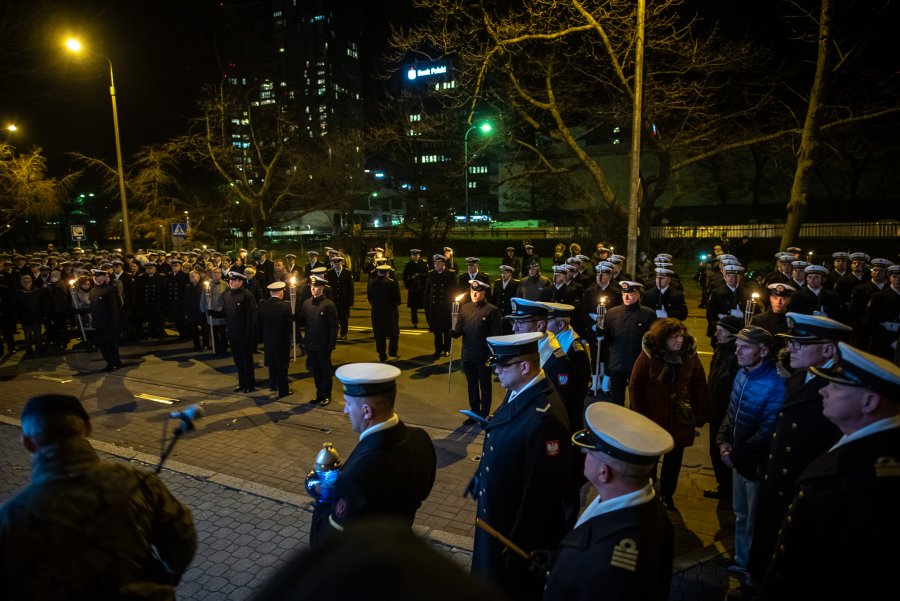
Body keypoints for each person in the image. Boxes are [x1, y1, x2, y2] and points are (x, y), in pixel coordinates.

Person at [0, 394, 197, 599]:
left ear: (27, 443)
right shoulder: (138, 482)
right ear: (88, 428)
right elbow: (181, 541)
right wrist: (165, 577)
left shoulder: (10, 518)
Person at [760, 344, 900, 600]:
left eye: (836, 387)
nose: (823, 390)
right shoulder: (864, 447)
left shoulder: (875, 480)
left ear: (869, 402)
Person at [746, 313, 851, 587]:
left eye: (799, 344)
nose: (789, 348)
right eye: (790, 342)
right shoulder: (801, 377)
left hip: (800, 490)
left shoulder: (837, 390)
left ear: (828, 350)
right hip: (780, 485)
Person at [467, 332, 571, 600]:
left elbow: (540, 492)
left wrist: (517, 544)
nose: (496, 371)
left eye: (502, 365)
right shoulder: (519, 392)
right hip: (496, 525)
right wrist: (482, 473)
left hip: (510, 536)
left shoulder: (544, 417)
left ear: (524, 367)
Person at [542, 403, 675, 601]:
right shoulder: (649, 511)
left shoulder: (613, 570)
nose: (584, 453)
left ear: (604, 472)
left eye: (589, 452)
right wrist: (558, 559)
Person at [310, 363, 437, 545]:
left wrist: (324, 496)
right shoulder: (421, 438)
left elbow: (325, 541)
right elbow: (423, 492)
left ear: (366, 411)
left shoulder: (356, 475)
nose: (345, 410)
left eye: (348, 403)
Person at [715, 326, 785, 579]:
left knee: (754, 521)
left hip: (752, 466)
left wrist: (735, 456)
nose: (737, 351)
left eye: (744, 347)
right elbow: (731, 412)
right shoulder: (743, 374)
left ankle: (752, 569)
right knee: (741, 514)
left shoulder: (775, 384)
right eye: (737, 346)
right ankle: (742, 560)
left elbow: (767, 431)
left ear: (763, 351)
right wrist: (723, 440)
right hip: (737, 460)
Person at [629, 318, 709, 509]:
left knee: (674, 460)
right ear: (663, 339)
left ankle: (667, 494)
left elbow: (699, 383)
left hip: (679, 418)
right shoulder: (649, 355)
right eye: (674, 337)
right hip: (653, 418)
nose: (679, 341)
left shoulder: (689, 356)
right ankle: (648, 492)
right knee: (650, 459)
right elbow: (635, 385)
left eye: (681, 336)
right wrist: (639, 416)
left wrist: (701, 412)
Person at [596, 281, 658, 406]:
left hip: (637, 363)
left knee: (637, 399)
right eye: (624, 294)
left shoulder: (648, 314)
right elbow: (607, 342)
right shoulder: (612, 313)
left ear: (638, 295)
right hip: (617, 362)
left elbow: (652, 341)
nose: (626, 297)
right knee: (616, 400)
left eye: (630, 294)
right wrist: (601, 333)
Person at [449, 280, 502, 423]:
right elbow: (460, 329)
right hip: (468, 354)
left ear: (484, 293)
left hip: (484, 355)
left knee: (485, 385)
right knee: (472, 385)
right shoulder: (464, 308)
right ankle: (474, 412)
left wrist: (493, 355)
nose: (474, 294)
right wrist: (454, 332)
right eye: (472, 292)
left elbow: (496, 335)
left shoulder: (492, 310)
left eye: (477, 292)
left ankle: (484, 414)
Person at [703, 315, 743, 500]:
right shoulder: (720, 351)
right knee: (714, 449)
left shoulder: (736, 357)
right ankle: (724, 486)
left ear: (732, 334)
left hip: (726, 413)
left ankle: (729, 489)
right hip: (715, 409)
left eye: (721, 330)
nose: (716, 333)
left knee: (723, 450)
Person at [300, 275, 338, 406]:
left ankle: (326, 395)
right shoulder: (306, 303)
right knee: (315, 371)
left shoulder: (328, 305)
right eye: (311, 286)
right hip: (311, 343)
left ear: (322, 287)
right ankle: (319, 393)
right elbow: (302, 321)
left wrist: (331, 344)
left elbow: (333, 327)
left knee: (325, 371)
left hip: (323, 344)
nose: (313, 288)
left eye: (316, 286)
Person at [223, 271, 258, 393]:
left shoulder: (247, 295)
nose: (231, 282)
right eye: (230, 280)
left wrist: (250, 334)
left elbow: (251, 317)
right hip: (233, 333)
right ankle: (242, 383)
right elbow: (226, 314)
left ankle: (250, 384)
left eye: (234, 280)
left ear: (240, 282)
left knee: (246, 360)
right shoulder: (227, 295)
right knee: (237, 360)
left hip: (244, 334)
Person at [258, 281, 294, 397]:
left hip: (268, 339)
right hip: (281, 340)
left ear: (270, 292)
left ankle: (273, 384)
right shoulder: (286, 306)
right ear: (280, 293)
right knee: (282, 366)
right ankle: (283, 390)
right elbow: (289, 325)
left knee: (272, 363)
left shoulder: (263, 305)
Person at [863, 264, 900, 360]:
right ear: (889, 278)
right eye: (894, 276)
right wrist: (891, 341)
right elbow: (869, 323)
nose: (898, 280)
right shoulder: (879, 297)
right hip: (880, 345)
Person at [424, 254, 457, 361]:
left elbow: (454, 291)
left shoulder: (450, 274)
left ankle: (446, 349)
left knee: (446, 331)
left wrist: (454, 306)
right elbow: (428, 290)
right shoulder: (431, 274)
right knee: (437, 331)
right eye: (435, 263)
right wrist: (427, 305)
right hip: (435, 307)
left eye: (438, 263)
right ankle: (438, 349)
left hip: (446, 307)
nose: (436, 265)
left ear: (443, 264)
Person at [89, 268, 123, 372]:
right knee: (103, 345)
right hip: (98, 323)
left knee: (111, 345)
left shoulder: (109, 290)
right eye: (94, 276)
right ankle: (110, 361)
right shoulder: (93, 290)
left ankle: (114, 362)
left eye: (97, 276)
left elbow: (113, 308)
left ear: (103, 278)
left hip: (108, 323)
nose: (95, 278)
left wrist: (114, 323)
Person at [367, 264, 401, 361]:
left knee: (379, 334)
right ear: (388, 272)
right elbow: (397, 299)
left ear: (378, 272)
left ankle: (382, 354)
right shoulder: (391, 283)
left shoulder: (372, 283)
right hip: (390, 313)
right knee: (393, 333)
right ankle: (393, 351)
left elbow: (370, 298)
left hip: (377, 312)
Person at [325, 255, 354, 341]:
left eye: (338, 264)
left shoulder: (347, 273)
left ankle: (344, 333)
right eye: (335, 264)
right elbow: (328, 288)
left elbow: (350, 288)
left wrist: (350, 301)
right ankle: (334, 334)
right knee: (333, 318)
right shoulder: (330, 273)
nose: (337, 266)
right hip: (333, 300)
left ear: (341, 263)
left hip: (344, 300)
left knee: (344, 318)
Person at [401, 248, 428, 328]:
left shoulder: (423, 263)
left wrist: (420, 276)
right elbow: (404, 276)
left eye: (416, 255)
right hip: (413, 289)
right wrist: (408, 284)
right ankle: (415, 322)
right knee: (413, 308)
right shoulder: (409, 264)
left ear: (419, 255)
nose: (415, 257)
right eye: (413, 255)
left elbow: (427, 274)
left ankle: (429, 322)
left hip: (421, 288)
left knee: (426, 306)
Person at [491, 264, 519, 334]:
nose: (503, 275)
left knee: (509, 333)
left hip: (510, 314)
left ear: (510, 273)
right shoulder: (497, 282)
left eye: (505, 273)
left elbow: (517, 300)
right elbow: (494, 298)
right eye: (502, 273)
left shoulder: (516, 284)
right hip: (499, 315)